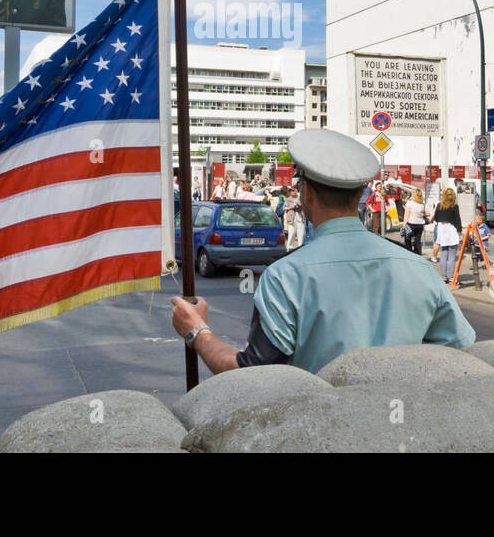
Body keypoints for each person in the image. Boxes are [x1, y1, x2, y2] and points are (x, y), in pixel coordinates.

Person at [169, 128, 474, 374]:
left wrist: (197, 331)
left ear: (307, 193)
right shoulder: (419, 268)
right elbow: (458, 356)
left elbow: (254, 374)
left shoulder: (284, 277)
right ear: (359, 194)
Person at [432, 188, 463, 283]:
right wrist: (460, 233)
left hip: (442, 231)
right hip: (452, 231)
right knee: (452, 257)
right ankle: (451, 277)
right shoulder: (455, 206)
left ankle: (443, 277)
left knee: (443, 255)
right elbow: (457, 221)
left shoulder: (439, 206)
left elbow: (436, 218)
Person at [403, 188, 428, 256]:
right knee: (418, 241)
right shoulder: (422, 204)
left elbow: (406, 216)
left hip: (411, 224)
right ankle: (418, 255)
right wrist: (422, 214)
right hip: (420, 225)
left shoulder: (409, 203)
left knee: (408, 241)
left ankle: (409, 255)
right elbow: (428, 213)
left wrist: (404, 225)